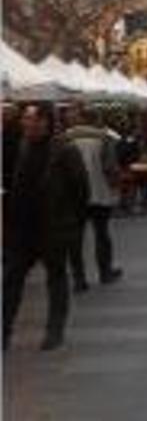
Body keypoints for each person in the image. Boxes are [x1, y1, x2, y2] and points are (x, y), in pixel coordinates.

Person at [4, 103, 90, 351]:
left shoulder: (65, 150)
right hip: (22, 228)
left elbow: (80, 189)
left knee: (56, 278)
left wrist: (71, 222)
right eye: (24, 119)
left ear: (44, 122)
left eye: (29, 119)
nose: (24, 123)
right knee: (11, 279)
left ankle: (54, 330)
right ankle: (4, 330)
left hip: (53, 227)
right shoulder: (23, 146)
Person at [65, 107, 124, 292]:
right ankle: (105, 272)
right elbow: (110, 167)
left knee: (76, 237)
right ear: (95, 120)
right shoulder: (104, 138)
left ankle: (79, 279)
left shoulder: (66, 138)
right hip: (99, 192)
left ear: (80, 119)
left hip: (74, 196)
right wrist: (116, 186)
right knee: (102, 233)